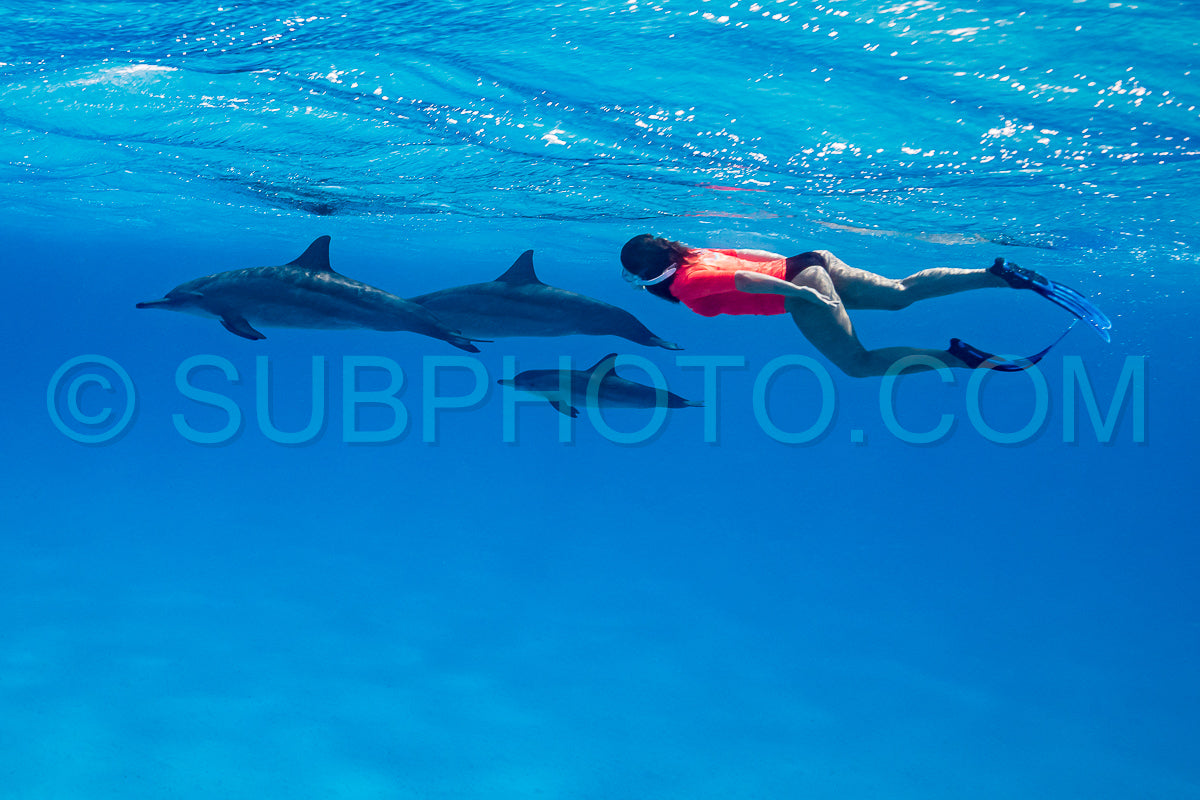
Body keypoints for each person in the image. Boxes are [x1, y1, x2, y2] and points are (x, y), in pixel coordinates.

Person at [619, 234, 1110, 378]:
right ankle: (1001, 276)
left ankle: (960, 358)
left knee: (857, 365)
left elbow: (746, 277)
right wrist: (802, 271)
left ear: (648, 274)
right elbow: (759, 257)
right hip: (811, 260)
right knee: (898, 294)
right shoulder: (695, 252)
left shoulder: (687, 283)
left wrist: (802, 293)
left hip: (803, 285)